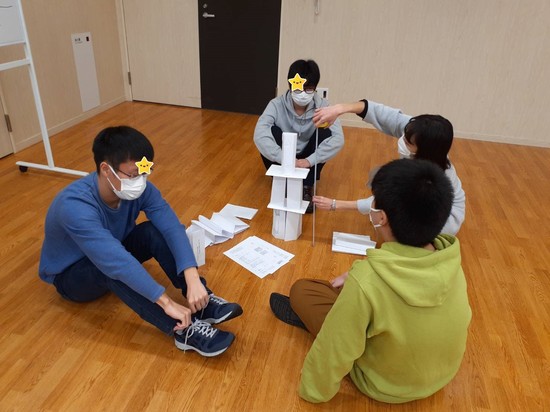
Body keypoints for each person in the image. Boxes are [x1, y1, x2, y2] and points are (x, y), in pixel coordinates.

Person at [269, 158, 472, 403]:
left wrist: (312, 392)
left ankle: (324, 320)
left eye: (373, 202)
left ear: (381, 218)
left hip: (381, 382)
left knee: (302, 290)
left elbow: (335, 349)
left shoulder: (367, 279)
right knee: (349, 296)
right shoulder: (450, 259)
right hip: (441, 375)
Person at [39, 126, 243, 357]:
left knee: (151, 231)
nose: (140, 181)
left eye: (144, 172)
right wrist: (167, 303)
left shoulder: (136, 188)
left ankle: (201, 301)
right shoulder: (74, 206)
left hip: (111, 250)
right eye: (133, 174)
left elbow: (171, 227)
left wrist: (193, 277)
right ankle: (183, 330)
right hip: (72, 276)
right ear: (106, 169)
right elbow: (115, 262)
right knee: (111, 268)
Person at [312, 99, 465, 235]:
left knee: (395, 224)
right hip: (422, 202)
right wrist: (339, 109)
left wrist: (335, 204)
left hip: (443, 222)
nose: (402, 140)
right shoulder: (417, 131)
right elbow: (382, 113)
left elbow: (389, 199)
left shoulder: (428, 178)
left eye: (407, 143)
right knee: (379, 178)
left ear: (423, 150)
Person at [253, 59, 344, 212]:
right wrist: (284, 158)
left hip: (308, 156)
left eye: (308, 89)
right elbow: (259, 134)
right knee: (271, 131)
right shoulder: (276, 104)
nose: (303, 94)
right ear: (290, 86)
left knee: (326, 131)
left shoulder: (324, 106)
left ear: (315, 88)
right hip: (283, 155)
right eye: (298, 89)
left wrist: (309, 161)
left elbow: (338, 139)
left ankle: (307, 186)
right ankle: (283, 180)